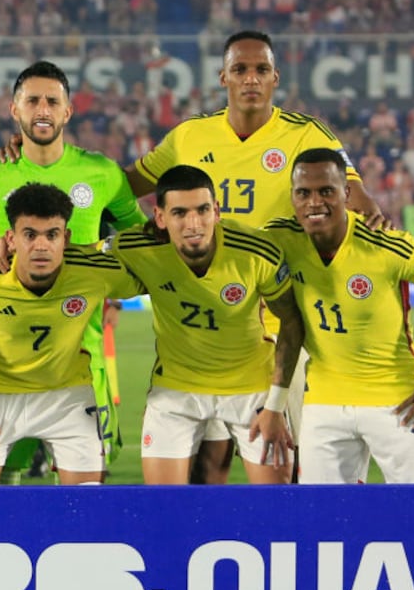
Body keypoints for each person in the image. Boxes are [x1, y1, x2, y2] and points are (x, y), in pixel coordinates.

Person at [127, 30, 385, 484]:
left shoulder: (306, 134)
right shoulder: (189, 137)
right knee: (206, 471)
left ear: (275, 78)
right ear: (222, 76)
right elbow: (123, 186)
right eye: (241, 69)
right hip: (208, 327)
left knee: (298, 463)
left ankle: (296, 547)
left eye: (261, 70)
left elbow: (358, 200)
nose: (251, 79)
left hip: (282, 320)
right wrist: (47, 161)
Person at [0, 60, 146, 470]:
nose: (42, 109)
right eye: (32, 100)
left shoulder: (101, 173)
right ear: (13, 109)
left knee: (90, 482)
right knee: (3, 477)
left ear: (67, 112)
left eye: (52, 101)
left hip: (83, 356)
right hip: (6, 357)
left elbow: (143, 243)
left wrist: (104, 267)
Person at [264, 149, 414, 483]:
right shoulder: (279, 240)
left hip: (396, 399)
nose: (314, 202)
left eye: (326, 191)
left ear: (346, 193)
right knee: (325, 521)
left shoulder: (386, 245)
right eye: (303, 193)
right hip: (323, 403)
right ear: (291, 196)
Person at [0, 183, 143, 484]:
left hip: (68, 396)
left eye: (52, 235)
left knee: (86, 506)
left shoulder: (95, 272)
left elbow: (157, 274)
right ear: (11, 238)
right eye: (29, 234)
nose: (41, 246)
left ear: (65, 238)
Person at [109, 165, 304, 485]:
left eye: (202, 210)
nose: (193, 224)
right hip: (176, 391)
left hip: (252, 390)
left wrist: (275, 405)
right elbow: (76, 260)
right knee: (165, 508)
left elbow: (292, 321)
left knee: (277, 508)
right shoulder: (136, 247)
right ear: (159, 218)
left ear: (217, 210)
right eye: (180, 213)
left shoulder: (256, 251)